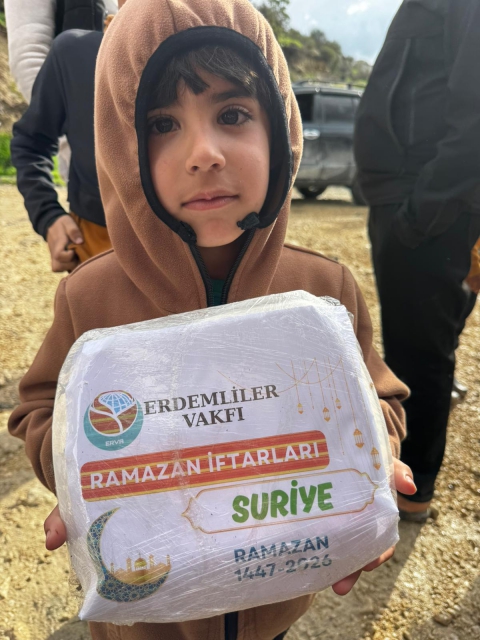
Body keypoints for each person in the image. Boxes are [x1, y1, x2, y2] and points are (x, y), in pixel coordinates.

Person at [8, 0, 415, 638]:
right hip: (148, 617)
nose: (203, 153)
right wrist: (80, 476)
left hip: (275, 600)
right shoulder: (90, 299)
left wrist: (372, 458)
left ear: (280, 127)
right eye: (162, 124)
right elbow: (37, 408)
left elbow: (380, 398)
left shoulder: (323, 292)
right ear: (120, 142)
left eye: (232, 114)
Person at [354, 0, 480, 521]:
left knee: (418, 355)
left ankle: (414, 491)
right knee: (422, 345)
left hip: (425, 207)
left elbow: (474, 114)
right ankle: (414, 476)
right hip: (413, 202)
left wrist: (421, 213)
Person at [10, 25, 111, 272]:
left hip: (193, 252)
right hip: (96, 247)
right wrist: (48, 215)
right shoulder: (75, 51)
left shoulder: (203, 45)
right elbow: (31, 141)